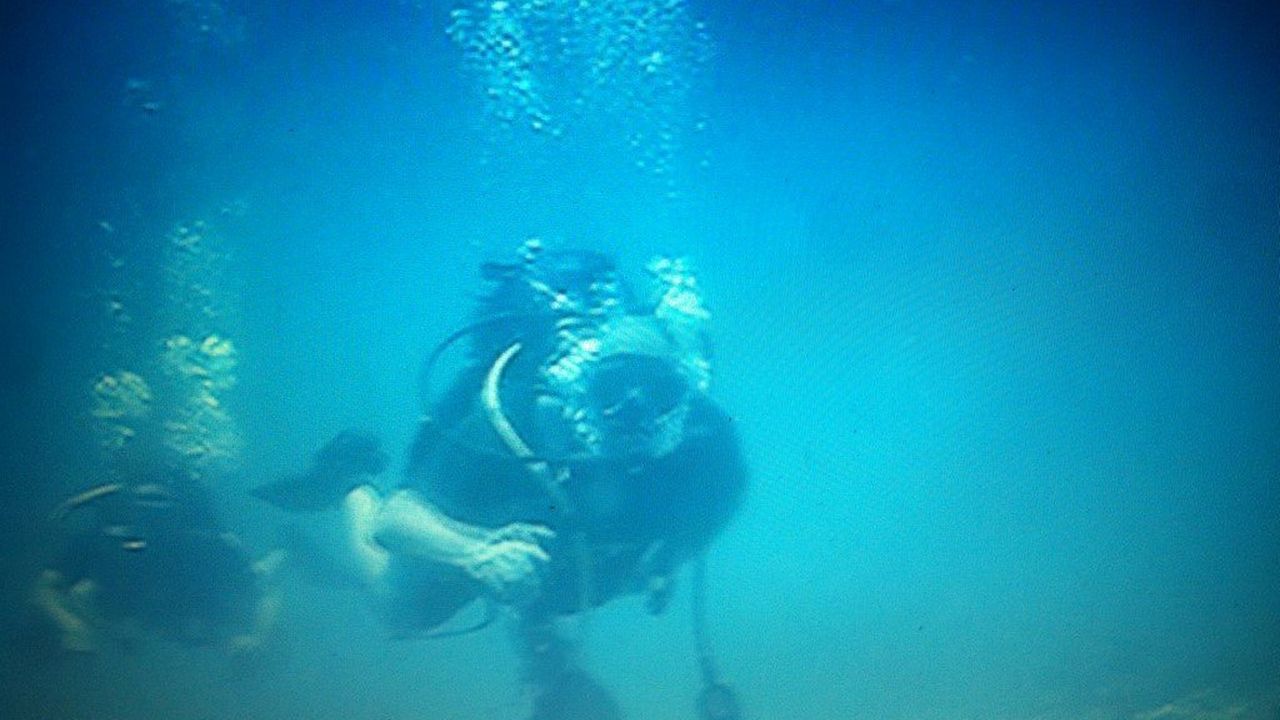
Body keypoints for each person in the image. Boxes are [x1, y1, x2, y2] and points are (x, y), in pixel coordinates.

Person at [263, 240, 746, 720]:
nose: (634, 413)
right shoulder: (514, 421)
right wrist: (476, 553)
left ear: (687, 396)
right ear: (582, 383)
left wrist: (667, 561)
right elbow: (394, 521)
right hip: (485, 529)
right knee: (401, 610)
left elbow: (719, 507)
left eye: (660, 393)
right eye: (613, 388)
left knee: (559, 593)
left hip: (561, 560)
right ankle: (351, 485)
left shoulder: (706, 447)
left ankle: (544, 656)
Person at [31, 457, 283, 657]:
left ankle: (285, 552)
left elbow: (265, 591)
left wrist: (257, 637)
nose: (153, 513)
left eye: (160, 504)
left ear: (178, 510)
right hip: (141, 625)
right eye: (143, 503)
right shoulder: (105, 542)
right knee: (83, 593)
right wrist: (73, 626)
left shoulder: (207, 545)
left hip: (193, 623)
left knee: (264, 569)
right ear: (131, 507)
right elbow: (46, 586)